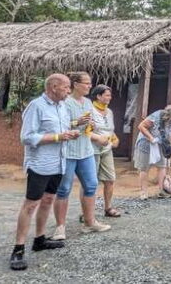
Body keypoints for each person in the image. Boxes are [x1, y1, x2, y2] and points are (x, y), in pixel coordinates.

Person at [9, 74, 80, 271]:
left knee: (49, 200)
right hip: (40, 163)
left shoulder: (63, 107)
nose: (68, 91)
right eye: (66, 87)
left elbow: (63, 129)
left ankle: (39, 239)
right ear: (54, 86)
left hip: (59, 163)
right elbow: (27, 137)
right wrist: (58, 136)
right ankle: (18, 248)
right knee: (31, 204)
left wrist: (71, 131)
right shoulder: (36, 106)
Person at [51, 72, 111, 240]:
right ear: (75, 84)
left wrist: (90, 126)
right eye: (86, 83)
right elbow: (59, 125)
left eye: (90, 83)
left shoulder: (88, 103)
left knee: (91, 186)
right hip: (68, 152)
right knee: (63, 190)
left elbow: (86, 127)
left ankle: (89, 222)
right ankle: (60, 227)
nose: (89, 86)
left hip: (86, 151)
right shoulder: (65, 103)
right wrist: (78, 123)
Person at [134, 105, 171, 199]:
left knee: (162, 166)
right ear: (167, 115)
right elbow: (141, 126)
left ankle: (162, 190)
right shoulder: (155, 117)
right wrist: (151, 138)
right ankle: (143, 192)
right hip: (146, 143)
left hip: (162, 143)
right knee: (144, 167)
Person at [89, 84, 121, 218]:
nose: (110, 97)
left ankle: (108, 208)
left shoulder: (109, 112)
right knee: (91, 182)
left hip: (107, 150)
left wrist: (115, 139)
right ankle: (87, 212)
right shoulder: (89, 110)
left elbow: (110, 130)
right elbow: (83, 132)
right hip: (92, 150)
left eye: (110, 95)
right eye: (107, 95)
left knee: (110, 179)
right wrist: (96, 138)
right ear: (98, 96)